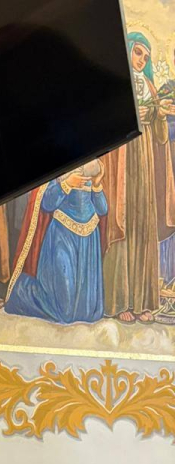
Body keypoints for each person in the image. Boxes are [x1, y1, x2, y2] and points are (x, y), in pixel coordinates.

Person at [102, 33, 175, 323]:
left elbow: (160, 136)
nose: (142, 59)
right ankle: (121, 301)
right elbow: (105, 120)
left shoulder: (150, 86)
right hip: (122, 158)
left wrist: (160, 114)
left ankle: (144, 301)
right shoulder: (117, 81)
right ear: (127, 51)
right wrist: (132, 112)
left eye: (146, 55)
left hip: (143, 159)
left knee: (143, 222)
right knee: (125, 219)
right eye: (138, 52)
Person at [5, 161, 108, 325]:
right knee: (64, 312)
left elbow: (102, 209)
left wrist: (96, 185)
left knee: (90, 313)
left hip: (89, 241)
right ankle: (22, 291)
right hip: (62, 237)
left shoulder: (92, 163)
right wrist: (67, 184)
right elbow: (47, 203)